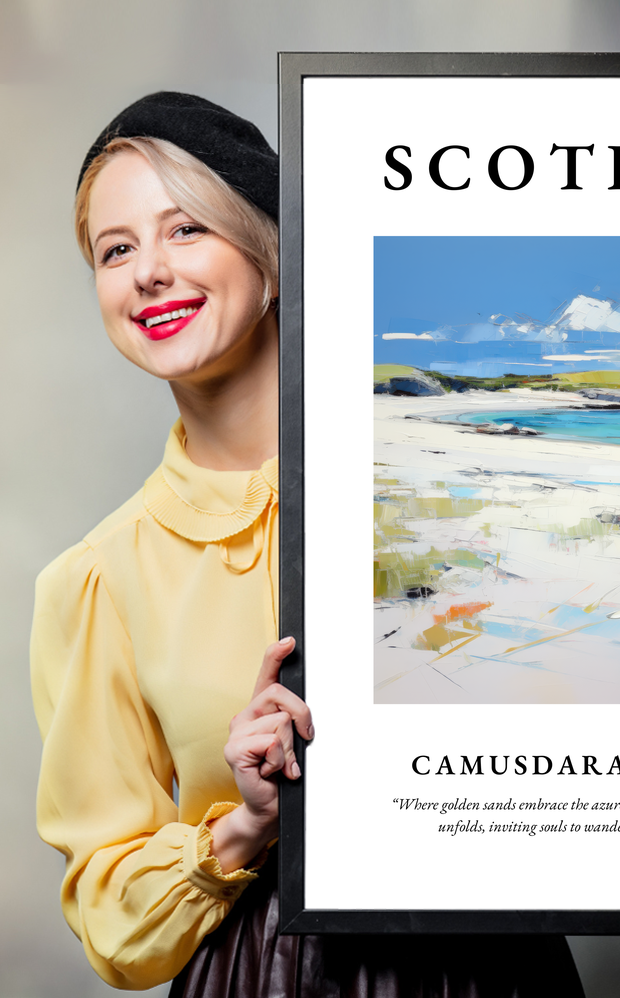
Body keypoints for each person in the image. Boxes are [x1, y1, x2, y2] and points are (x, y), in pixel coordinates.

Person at [30, 92, 586, 996]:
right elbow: (110, 915)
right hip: (262, 974)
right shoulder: (97, 579)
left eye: (185, 231)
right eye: (116, 249)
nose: (148, 273)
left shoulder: (460, 487)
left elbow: (616, 682)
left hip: (492, 965)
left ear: (273, 255)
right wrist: (245, 824)